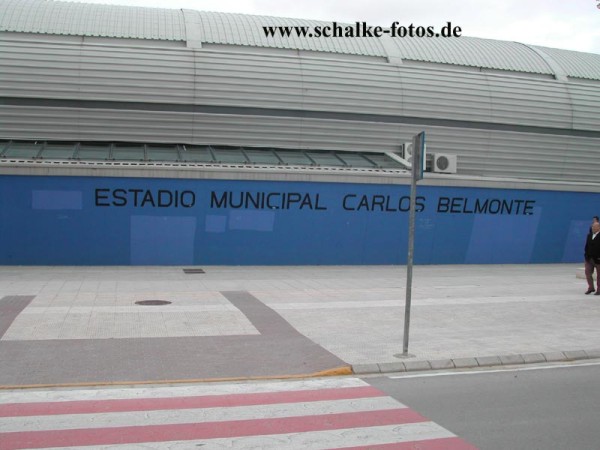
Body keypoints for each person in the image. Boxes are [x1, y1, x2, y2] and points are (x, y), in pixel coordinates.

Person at [584, 222, 600, 295]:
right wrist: (586, 255)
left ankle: (599, 290)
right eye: (592, 226)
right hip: (589, 258)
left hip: (598, 259)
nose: (592, 228)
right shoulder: (589, 235)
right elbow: (586, 246)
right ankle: (591, 288)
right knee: (588, 273)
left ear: (598, 227)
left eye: (594, 227)